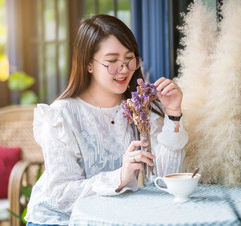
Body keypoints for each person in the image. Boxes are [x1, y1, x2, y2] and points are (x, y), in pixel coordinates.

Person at [25, 14, 188, 226]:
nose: (125, 69)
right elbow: (62, 195)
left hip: (113, 218)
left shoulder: (140, 106)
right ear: (88, 64)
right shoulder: (61, 115)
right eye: (112, 61)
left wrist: (173, 113)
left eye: (130, 59)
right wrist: (120, 176)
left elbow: (167, 177)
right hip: (59, 219)